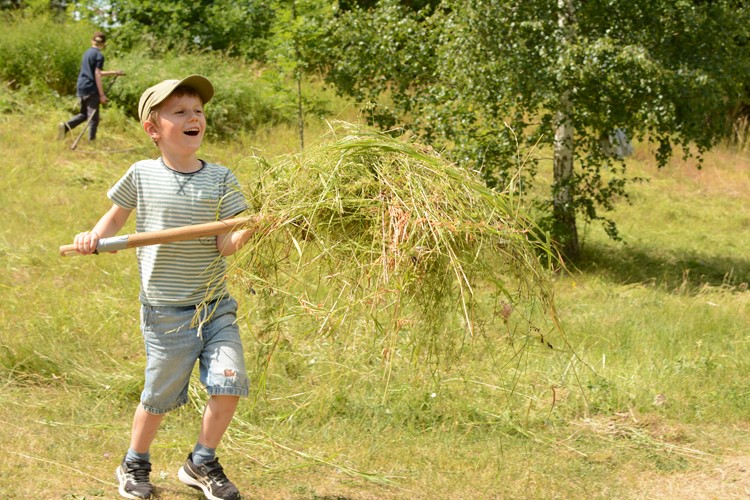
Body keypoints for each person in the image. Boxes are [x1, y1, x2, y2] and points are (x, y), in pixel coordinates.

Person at [73, 75, 253, 500]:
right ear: (153, 129)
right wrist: (92, 237)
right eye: (180, 112)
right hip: (165, 311)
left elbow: (225, 246)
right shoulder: (142, 174)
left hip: (214, 307)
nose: (194, 118)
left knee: (230, 381)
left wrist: (253, 228)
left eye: (199, 111)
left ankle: (201, 461)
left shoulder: (223, 179)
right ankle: (134, 461)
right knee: (159, 395)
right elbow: (115, 219)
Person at [59, 31, 124, 142]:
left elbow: (95, 72)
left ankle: (65, 127)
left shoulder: (87, 53)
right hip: (91, 88)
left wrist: (114, 72)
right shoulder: (99, 55)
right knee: (93, 118)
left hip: (82, 86)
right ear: (104, 44)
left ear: (92, 41)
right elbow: (97, 74)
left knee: (84, 114)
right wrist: (101, 95)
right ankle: (92, 142)